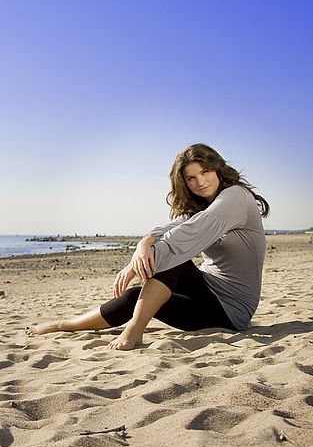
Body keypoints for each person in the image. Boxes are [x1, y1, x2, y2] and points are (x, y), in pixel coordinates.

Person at [24, 143, 270, 350]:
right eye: (191, 178)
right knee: (135, 296)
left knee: (171, 256)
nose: (200, 182)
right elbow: (169, 228)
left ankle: (134, 330)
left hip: (231, 310)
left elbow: (189, 232)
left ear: (217, 169)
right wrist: (144, 243)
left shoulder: (235, 196)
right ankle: (64, 325)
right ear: (183, 182)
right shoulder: (203, 206)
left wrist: (139, 263)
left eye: (205, 172)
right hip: (207, 288)